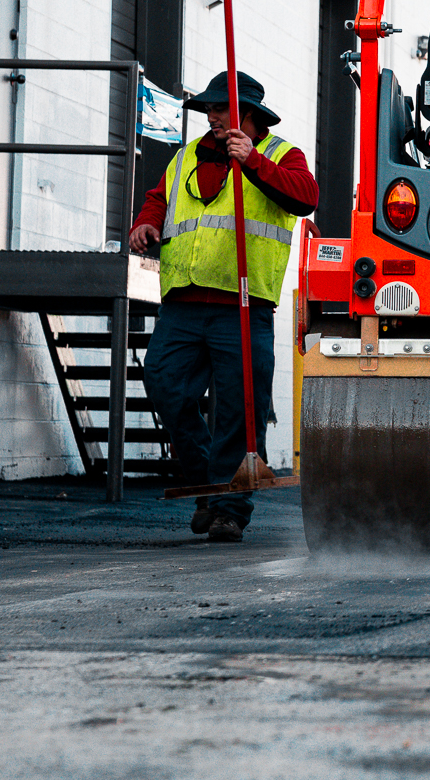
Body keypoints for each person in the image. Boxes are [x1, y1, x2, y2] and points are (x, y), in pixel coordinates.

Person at [128, 71, 317, 542]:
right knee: (164, 383)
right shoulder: (186, 155)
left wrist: (253, 162)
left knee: (241, 408)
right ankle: (207, 484)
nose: (213, 116)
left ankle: (230, 509)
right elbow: (159, 198)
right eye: (210, 109)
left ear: (250, 117)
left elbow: (305, 196)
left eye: (223, 109)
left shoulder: (281, 155)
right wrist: (146, 222)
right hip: (184, 299)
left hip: (245, 304)